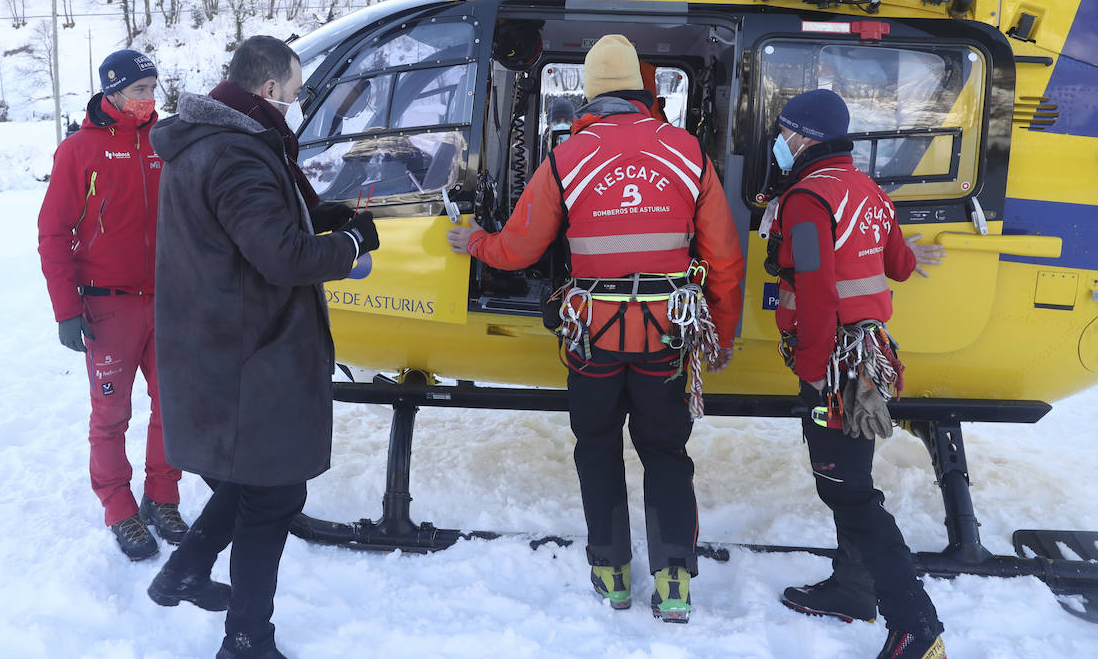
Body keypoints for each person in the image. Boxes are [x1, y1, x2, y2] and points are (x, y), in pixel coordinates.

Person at [447, 34, 744, 623]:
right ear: (643, 87)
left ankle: (611, 572)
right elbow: (726, 259)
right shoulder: (687, 153)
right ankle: (675, 581)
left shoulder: (567, 159)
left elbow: (519, 248)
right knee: (665, 451)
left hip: (593, 340)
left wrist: (474, 241)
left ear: (589, 93)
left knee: (599, 448)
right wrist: (724, 336)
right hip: (666, 338)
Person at [147, 35, 379, 659]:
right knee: (273, 495)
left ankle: (184, 572)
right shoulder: (239, 154)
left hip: (223, 348)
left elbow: (258, 229)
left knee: (257, 484)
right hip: (250, 355)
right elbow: (280, 256)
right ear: (270, 90)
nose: (298, 106)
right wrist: (351, 249)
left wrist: (324, 219)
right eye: (297, 93)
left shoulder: (211, 143)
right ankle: (247, 641)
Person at [766, 89, 947, 659]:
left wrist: (814, 371)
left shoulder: (806, 199)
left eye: (784, 131)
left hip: (836, 365)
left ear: (803, 137)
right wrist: (903, 248)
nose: (779, 140)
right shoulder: (869, 190)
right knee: (852, 481)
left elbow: (817, 294)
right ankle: (851, 589)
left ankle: (916, 625)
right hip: (867, 358)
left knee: (849, 494)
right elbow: (898, 263)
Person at [37, 48, 185, 560]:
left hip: (167, 301)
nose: (149, 100)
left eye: (153, 89)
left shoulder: (167, 143)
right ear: (114, 92)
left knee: (173, 407)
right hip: (108, 305)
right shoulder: (79, 149)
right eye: (140, 91)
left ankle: (162, 496)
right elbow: (53, 233)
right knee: (111, 414)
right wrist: (65, 310)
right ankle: (119, 506)